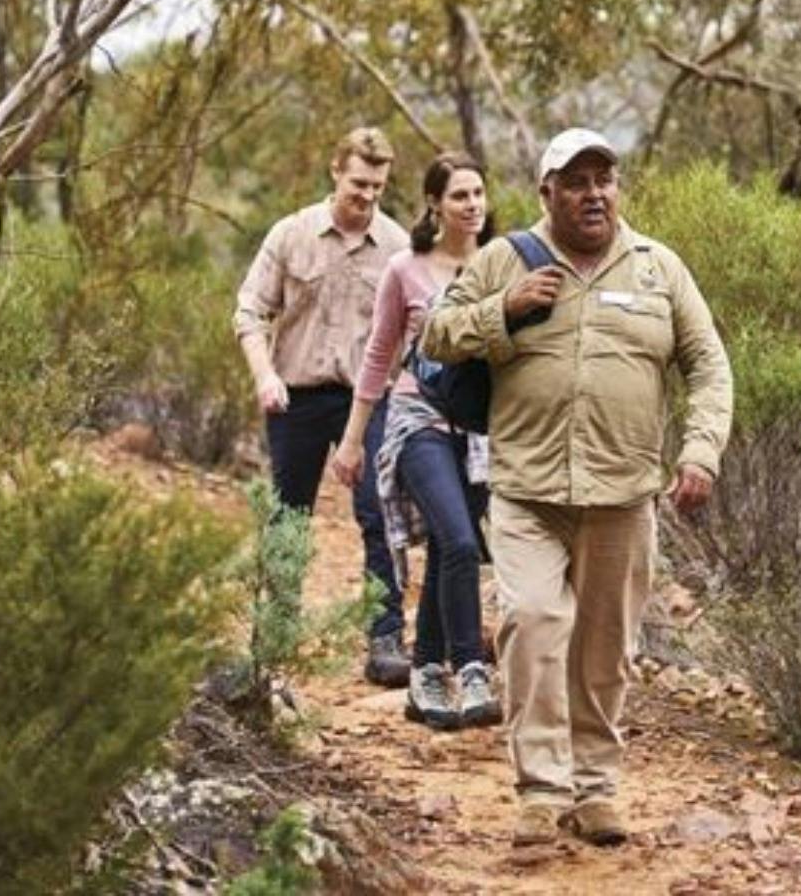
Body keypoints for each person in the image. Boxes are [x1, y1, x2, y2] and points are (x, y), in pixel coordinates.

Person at [421, 128, 732, 849]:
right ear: (547, 193)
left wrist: (701, 451)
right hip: (527, 489)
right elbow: (435, 336)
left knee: (604, 649)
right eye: (577, 181)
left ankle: (595, 791)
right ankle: (540, 790)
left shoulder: (658, 268)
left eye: (606, 179)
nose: (595, 193)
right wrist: (504, 309)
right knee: (531, 624)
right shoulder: (503, 257)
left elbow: (707, 364)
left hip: (622, 493)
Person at [329, 151, 501, 732]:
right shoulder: (407, 268)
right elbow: (379, 354)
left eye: (479, 194)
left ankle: (425, 673)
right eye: (460, 196)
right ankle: (471, 668)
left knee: (452, 550)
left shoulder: (502, 264)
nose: (473, 205)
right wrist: (353, 440)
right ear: (435, 203)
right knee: (456, 541)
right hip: (416, 417)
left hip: (478, 430)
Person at [233, 125, 411, 686]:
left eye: (378, 187)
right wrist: (265, 375)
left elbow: (415, 332)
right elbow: (249, 313)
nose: (367, 196)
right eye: (359, 183)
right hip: (296, 397)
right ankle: (274, 636)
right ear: (336, 170)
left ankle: (385, 638)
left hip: (370, 399)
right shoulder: (291, 235)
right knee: (288, 517)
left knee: (379, 514)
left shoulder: (398, 248)